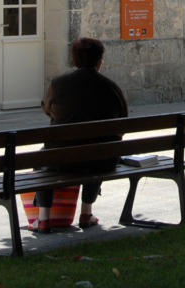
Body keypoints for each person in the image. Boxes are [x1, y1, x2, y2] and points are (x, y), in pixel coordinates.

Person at [29, 37, 129, 233]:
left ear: (74, 60)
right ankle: (86, 212)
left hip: (61, 159)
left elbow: (47, 108)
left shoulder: (59, 84)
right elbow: (122, 122)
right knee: (99, 148)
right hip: (102, 161)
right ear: (99, 61)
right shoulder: (111, 88)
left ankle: (43, 218)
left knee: (42, 157)